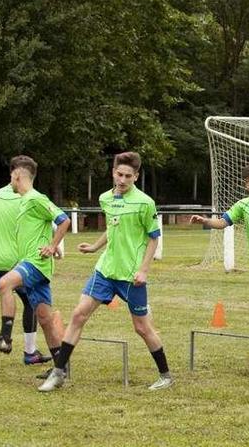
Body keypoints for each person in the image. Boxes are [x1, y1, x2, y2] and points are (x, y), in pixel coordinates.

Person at [39, 152, 173, 392]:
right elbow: (113, 228)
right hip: (105, 270)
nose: (122, 180)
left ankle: (165, 375)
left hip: (131, 276)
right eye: (119, 175)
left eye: (128, 176)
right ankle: (58, 372)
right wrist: (94, 247)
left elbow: (154, 238)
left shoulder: (144, 203)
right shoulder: (105, 198)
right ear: (113, 172)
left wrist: (144, 270)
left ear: (136, 176)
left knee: (142, 328)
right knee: (79, 314)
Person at [190, 161, 249, 354]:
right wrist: (205, 220)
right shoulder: (244, 205)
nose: (247, 186)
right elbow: (223, 222)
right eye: (245, 183)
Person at [0, 156, 69, 368]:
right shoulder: (25, 200)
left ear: (17, 175)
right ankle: (59, 368)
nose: (10, 181)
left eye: (11, 176)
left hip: (33, 263)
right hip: (30, 263)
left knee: (5, 284)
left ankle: (5, 337)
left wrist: (53, 246)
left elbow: (63, 220)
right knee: (44, 318)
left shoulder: (35, 198)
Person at [0, 183, 51, 365]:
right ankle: (30, 352)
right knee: (30, 304)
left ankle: (5, 337)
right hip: (17, 261)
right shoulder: (30, 199)